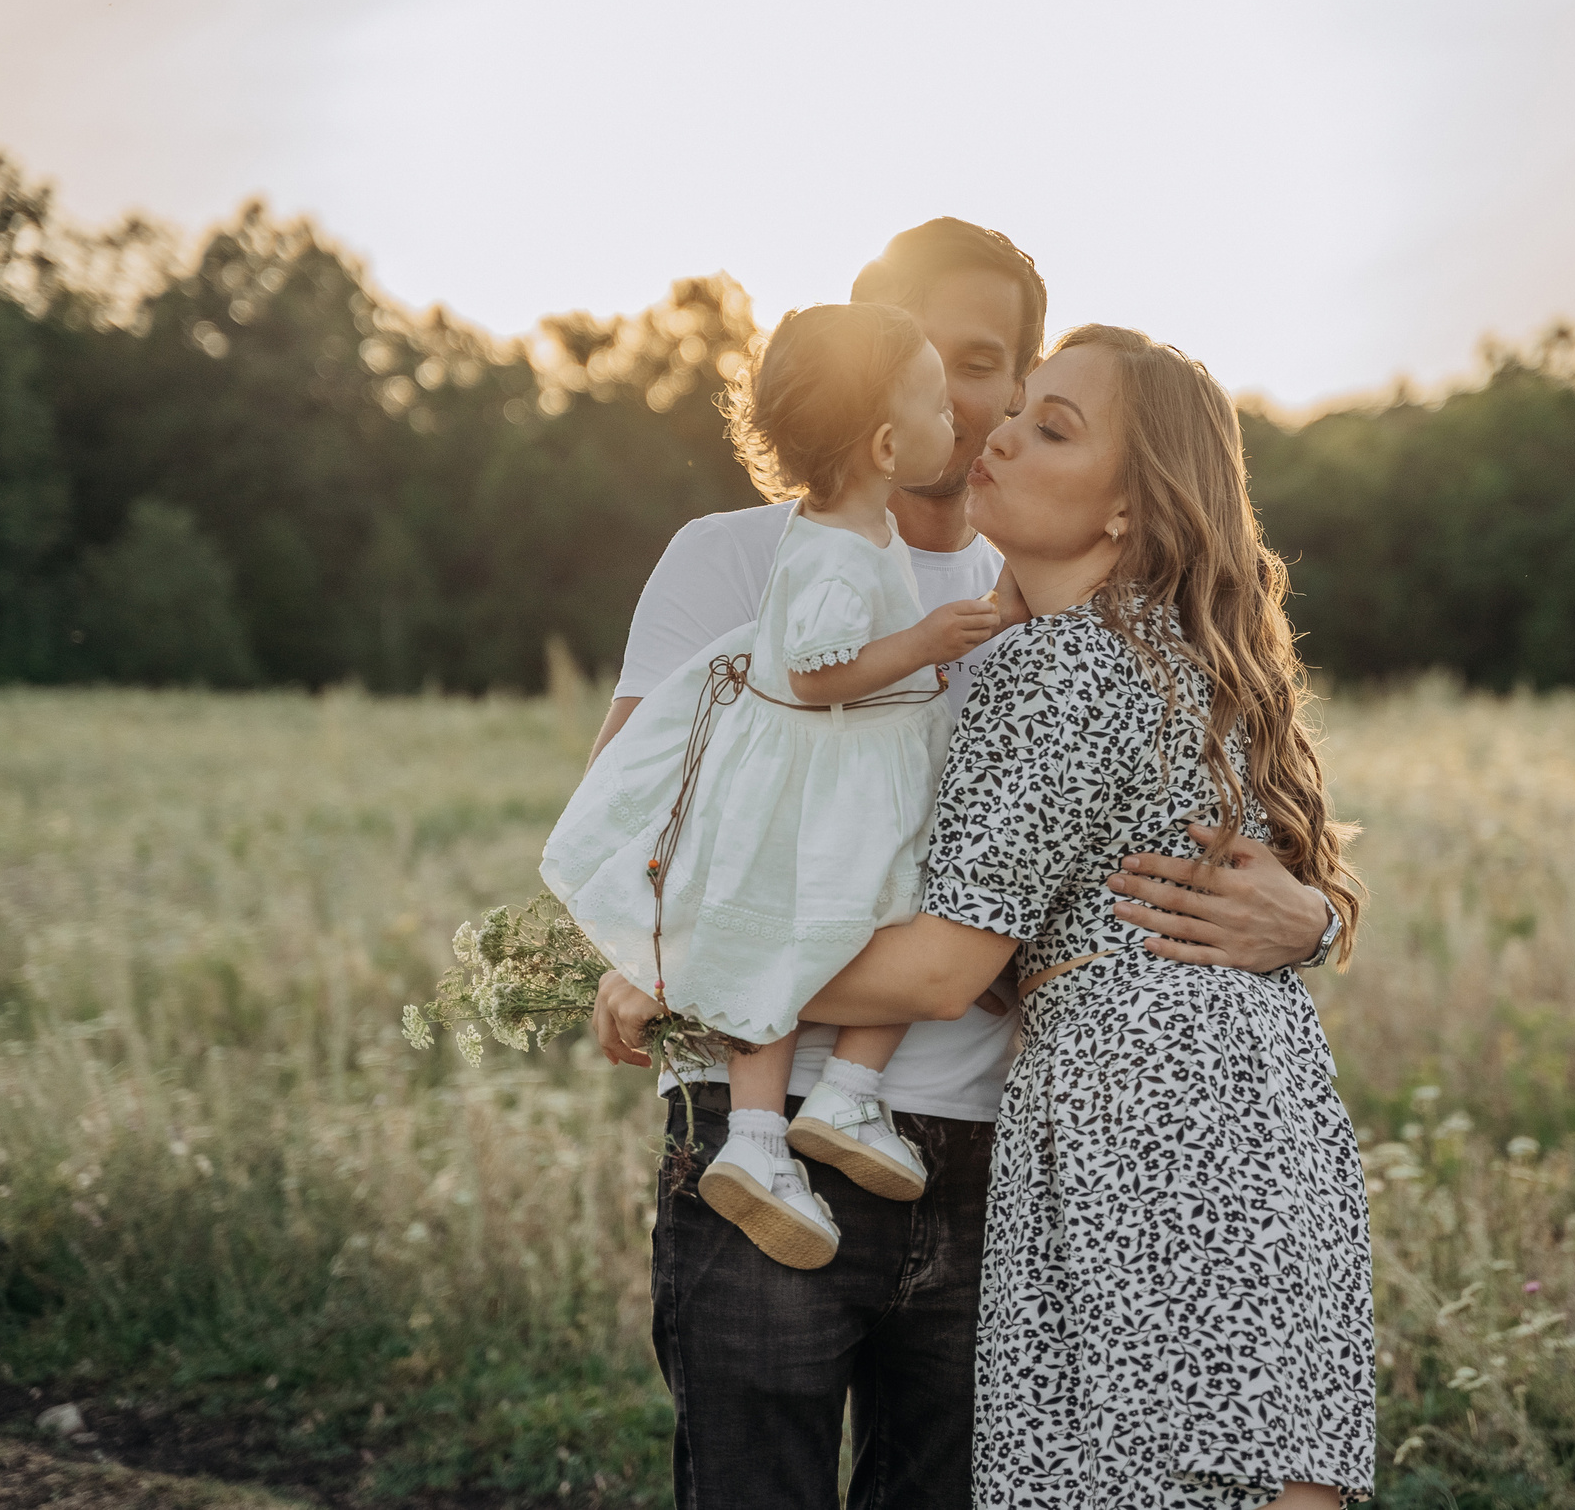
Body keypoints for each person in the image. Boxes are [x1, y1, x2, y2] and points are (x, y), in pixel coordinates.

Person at [588, 222, 1346, 1510]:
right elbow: (626, 814)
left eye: (1001, 375)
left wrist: (1312, 919)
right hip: (770, 1129)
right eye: (913, 349)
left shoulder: (1054, 598)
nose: (963, 395)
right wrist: (647, 958)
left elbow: (1202, 854)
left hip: (1019, 1144)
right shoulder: (735, 558)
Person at [785, 325, 1378, 1507]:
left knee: (1130, 1471)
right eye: (1019, 409)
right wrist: (1313, 926)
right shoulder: (1177, 658)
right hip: (1254, 1100)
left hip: (1140, 1112)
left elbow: (943, 971)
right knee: (1246, 1475)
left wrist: (689, 978)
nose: (1002, 430)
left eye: (1055, 428)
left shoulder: (1059, 665)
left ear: (1128, 511)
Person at [543, 303, 1000, 1268]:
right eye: (932, 402)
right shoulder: (836, 547)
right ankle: (766, 1133)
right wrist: (923, 642)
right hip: (833, 770)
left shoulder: (858, 529)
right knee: (823, 914)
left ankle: (819, 1110)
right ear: (884, 441)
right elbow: (809, 669)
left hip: (842, 763)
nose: (952, 416)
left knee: (845, 913)